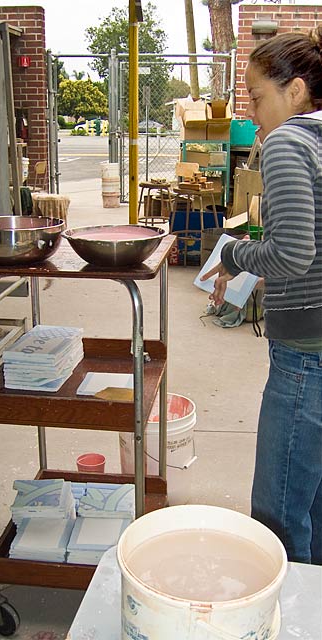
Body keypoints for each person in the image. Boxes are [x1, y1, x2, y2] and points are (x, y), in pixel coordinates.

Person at [201, 27, 322, 565]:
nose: (253, 114)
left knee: (277, 512)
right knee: (314, 504)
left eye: (257, 97)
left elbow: (293, 255)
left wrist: (232, 255)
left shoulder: (289, 141)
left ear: (295, 91)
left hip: (306, 353)